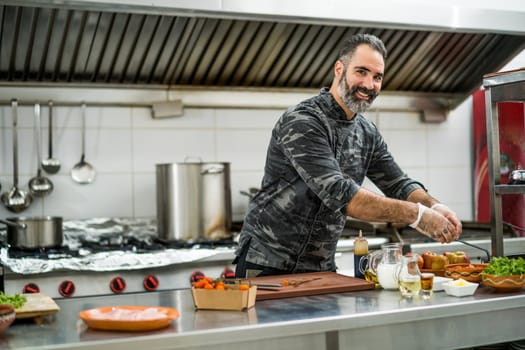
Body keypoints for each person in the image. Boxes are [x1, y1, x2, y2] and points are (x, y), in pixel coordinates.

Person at [234, 34, 462, 278]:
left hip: (321, 267)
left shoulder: (366, 132)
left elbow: (397, 183)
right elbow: (341, 194)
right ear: (339, 69)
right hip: (268, 264)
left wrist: (434, 206)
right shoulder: (303, 121)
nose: (369, 84)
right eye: (361, 72)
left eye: (377, 77)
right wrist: (417, 216)